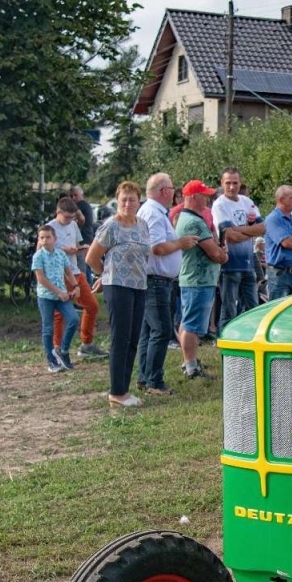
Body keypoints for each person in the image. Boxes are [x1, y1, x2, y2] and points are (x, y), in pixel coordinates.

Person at [86, 181, 151, 408]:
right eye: (123, 199)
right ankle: (117, 391)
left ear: (138, 201)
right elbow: (92, 258)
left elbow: (145, 255)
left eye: (131, 199)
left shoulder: (142, 225)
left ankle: (125, 388)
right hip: (118, 285)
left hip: (139, 285)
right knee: (120, 338)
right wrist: (104, 275)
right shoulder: (111, 226)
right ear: (117, 200)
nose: (127, 203)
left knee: (134, 337)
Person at [138, 173, 190, 394]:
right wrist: (181, 243)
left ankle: (144, 377)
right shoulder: (154, 214)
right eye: (172, 188)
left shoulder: (154, 212)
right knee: (161, 330)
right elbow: (157, 247)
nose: (174, 193)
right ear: (163, 191)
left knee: (148, 331)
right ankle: (154, 381)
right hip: (156, 281)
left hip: (156, 280)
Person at [175, 179, 227, 379]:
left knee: (187, 322)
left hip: (192, 279)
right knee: (192, 325)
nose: (208, 198)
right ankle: (191, 367)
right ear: (194, 197)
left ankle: (189, 360)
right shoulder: (195, 222)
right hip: (199, 280)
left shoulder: (184, 217)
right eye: (204, 195)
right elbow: (214, 253)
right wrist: (223, 255)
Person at [50, 197, 104, 359]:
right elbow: (45, 249)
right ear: (58, 213)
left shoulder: (73, 225)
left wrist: (81, 248)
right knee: (59, 313)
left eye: (72, 217)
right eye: (66, 217)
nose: (69, 221)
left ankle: (86, 344)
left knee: (92, 306)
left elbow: (77, 243)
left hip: (75, 271)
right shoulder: (50, 228)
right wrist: (66, 249)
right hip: (59, 274)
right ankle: (57, 347)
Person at [213, 168, 265, 330]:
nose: (231, 187)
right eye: (228, 183)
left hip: (248, 264)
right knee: (229, 309)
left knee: (254, 309)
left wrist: (238, 229)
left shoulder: (246, 201)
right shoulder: (219, 205)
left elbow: (262, 228)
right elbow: (229, 236)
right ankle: (224, 345)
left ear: (240, 183)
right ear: (222, 183)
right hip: (229, 265)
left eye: (235, 183)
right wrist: (249, 231)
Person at [31, 224, 78, 372]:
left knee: (74, 319)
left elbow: (68, 271)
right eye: (42, 238)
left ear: (55, 239)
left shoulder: (60, 254)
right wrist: (58, 291)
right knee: (48, 328)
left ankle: (63, 350)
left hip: (61, 295)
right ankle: (51, 361)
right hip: (46, 296)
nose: (45, 240)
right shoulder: (38, 256)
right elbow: (41, 278)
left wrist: (75, 286)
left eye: (48, 237)